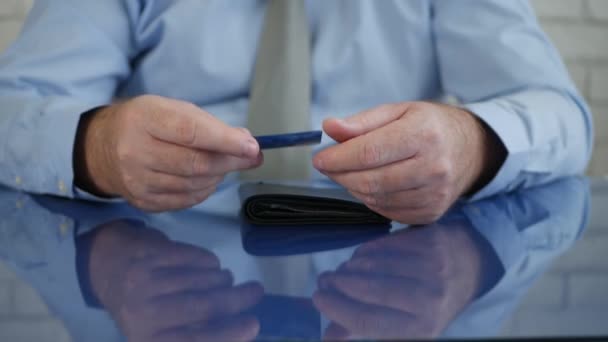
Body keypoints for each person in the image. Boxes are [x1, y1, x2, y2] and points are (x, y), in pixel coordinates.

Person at [0, 0, 592, 224]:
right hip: (152, 256)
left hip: (388, 263)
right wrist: (99, 145)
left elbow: (560, 115)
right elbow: (10, 108)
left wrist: (470, 143)